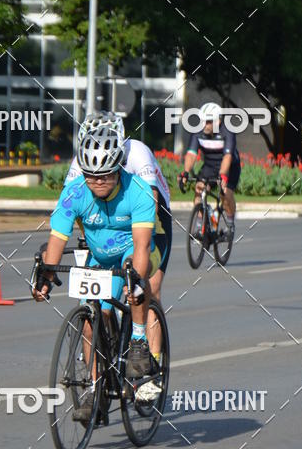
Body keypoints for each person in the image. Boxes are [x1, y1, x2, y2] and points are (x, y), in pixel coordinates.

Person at [33, 124, 166, 421]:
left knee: (136, 279)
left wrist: (135, 277)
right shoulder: (75, 192)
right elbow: (58, 238)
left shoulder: (140, 191)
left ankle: (139, 341)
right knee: (93, 317)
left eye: (105, 174)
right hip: (99, 256)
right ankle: (94, 389)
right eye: (92, 175)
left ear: (118, 166)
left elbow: (143, 248)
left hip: (136, 249)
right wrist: (46, 276)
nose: (98, 181)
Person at [66, 113, 172, 355]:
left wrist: (136, 260)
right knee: (95, 288)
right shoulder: (83, 158)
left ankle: (149, 355)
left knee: (148, 286)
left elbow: (152, 203)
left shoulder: (137, 152)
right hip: (109, 220)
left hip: (152, 216)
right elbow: (70, 205)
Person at [178, 102, 241, 232]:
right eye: (202, 120)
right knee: (199, 189)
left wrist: (223, 175)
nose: (204, 124)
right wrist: (185, 172)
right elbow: (191, 154)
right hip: (210, 165)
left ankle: (230, 223)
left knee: (226, 194)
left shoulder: (227, 131)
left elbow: (227, 157)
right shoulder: (198, 131)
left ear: (217, 121)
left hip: (229, 166)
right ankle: (200, 224)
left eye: (208, 121)